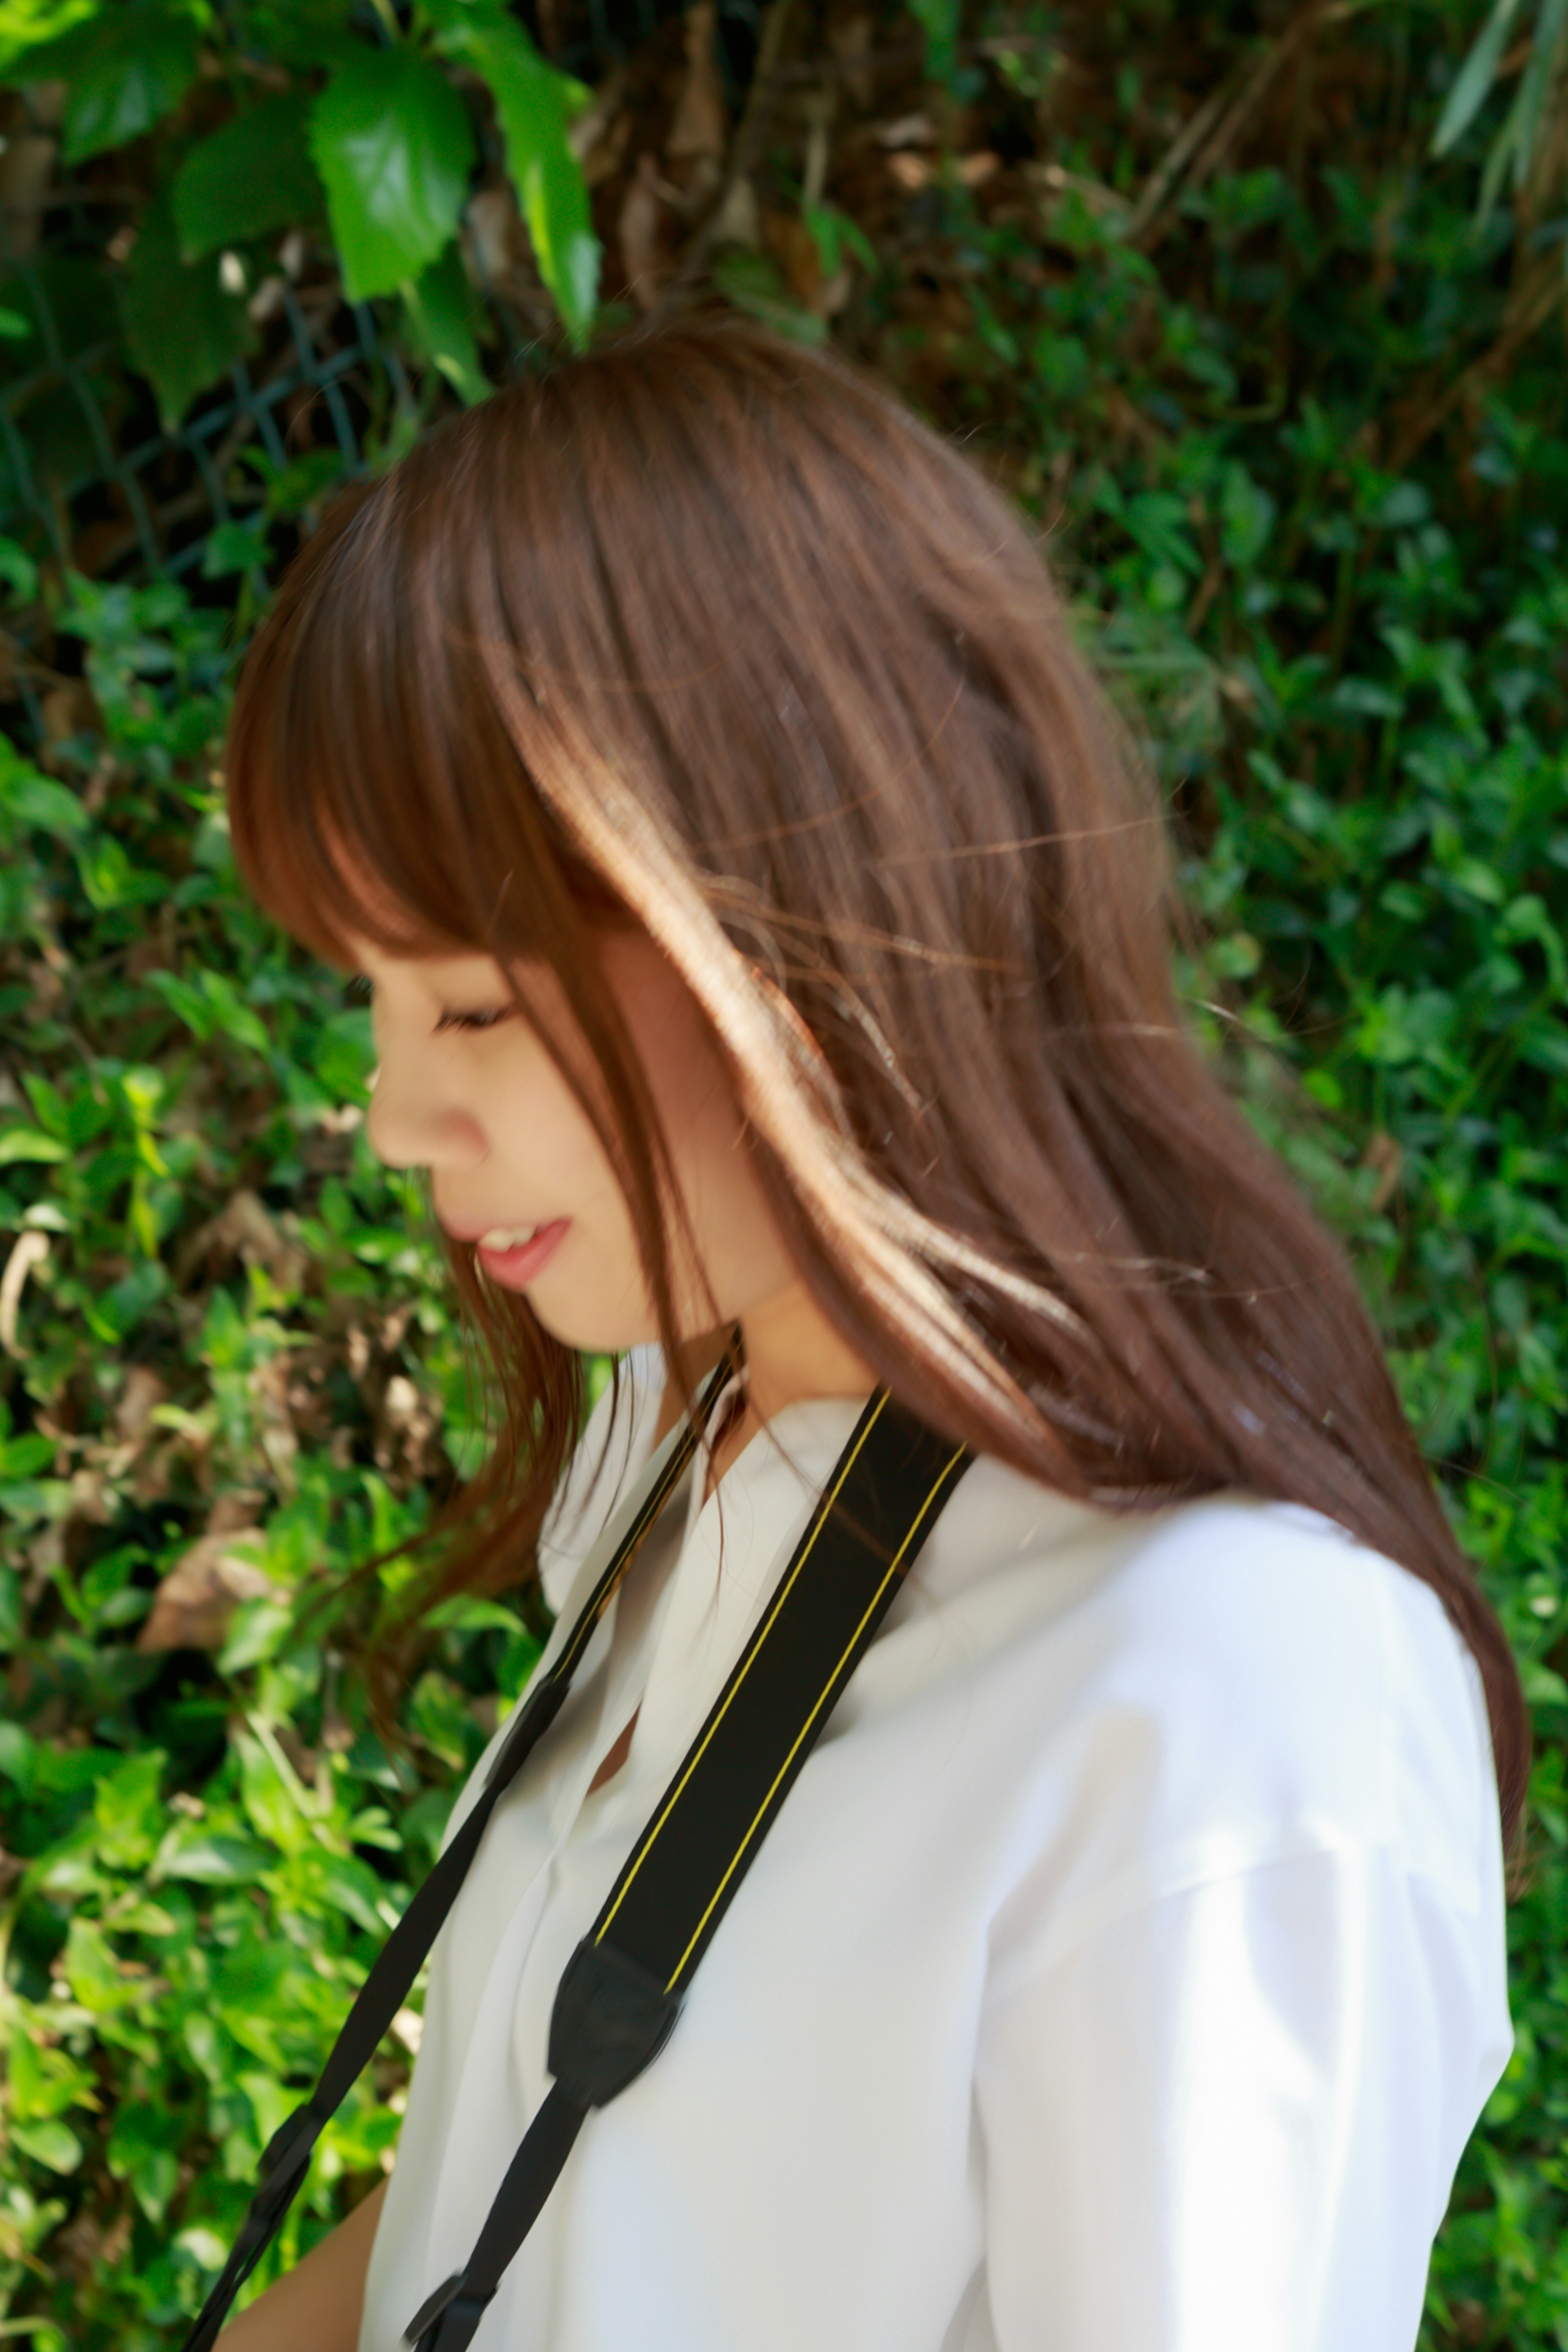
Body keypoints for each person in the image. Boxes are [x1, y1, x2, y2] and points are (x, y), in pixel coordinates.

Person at [212, 312, 1523, 2352]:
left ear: (794, 916)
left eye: (468, 1005)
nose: (391, 1120)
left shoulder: (1224, 1707)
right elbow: (533, 2190)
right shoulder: (683, 1424)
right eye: (369, 1004)